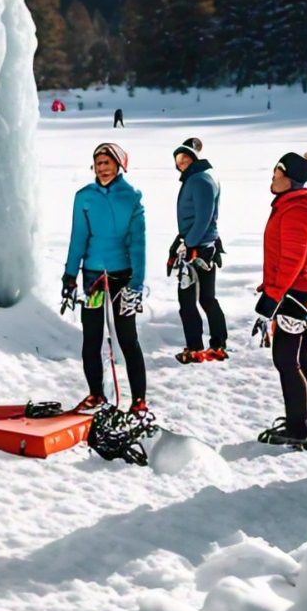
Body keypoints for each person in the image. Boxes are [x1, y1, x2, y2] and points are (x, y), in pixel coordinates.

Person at [61, 142, 148, 415]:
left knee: (127, 338)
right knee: (92, 338)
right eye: (98, 163)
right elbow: (78, 237)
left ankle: (138, 401)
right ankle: (95, 394)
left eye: (107, 163)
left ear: (119, 164)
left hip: (123, 277)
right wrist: (70, 275)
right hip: (93, 278)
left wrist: (136, 284)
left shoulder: (132, 197)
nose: (102, 168)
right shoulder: (84, 196)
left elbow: (138, 244)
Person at [254, 151, 307, 449]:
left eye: (277, 173)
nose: (272, 178)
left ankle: (298, 429)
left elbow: (292, 261)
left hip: (293, 294)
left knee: (286, 360)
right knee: (302, 359)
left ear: (290, 179)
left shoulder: (297, 210)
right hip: (297, 291)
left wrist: (273, 297)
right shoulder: (292, 205)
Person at [168, 137, 228, 363]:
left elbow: (204, 217)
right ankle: (218, 343)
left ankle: (195, 347)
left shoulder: (200, 179)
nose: (181, 163)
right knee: (206, 298)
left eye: (185, 158)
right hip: (203, 244)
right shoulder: (200, 177)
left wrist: (189, 243)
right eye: (178, 160)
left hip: (198, 249)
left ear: (194, 159)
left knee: (189, 301)